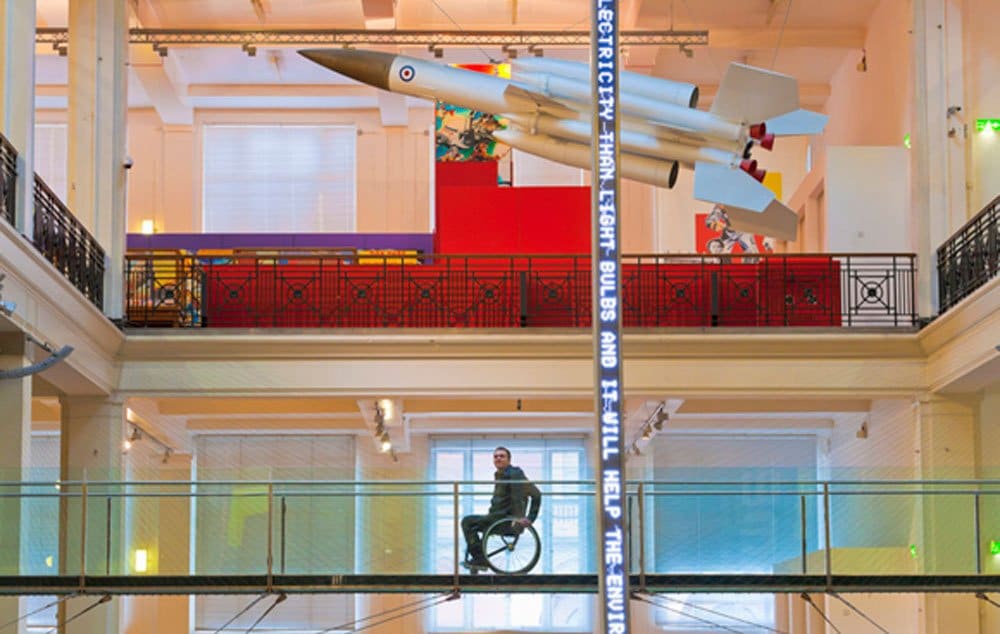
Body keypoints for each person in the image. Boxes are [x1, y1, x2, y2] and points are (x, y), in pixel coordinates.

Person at [461, 446, 541, 569]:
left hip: (505, 521)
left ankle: (480, 559)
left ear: (509, 460)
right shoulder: (500, 474)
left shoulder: (514, 473)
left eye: (502, 456)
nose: (498, 458)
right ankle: (479, 559)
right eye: (496, 456)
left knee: (467, 522)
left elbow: (534, 494)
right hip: (496, 518)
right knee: (472, 524)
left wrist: (528, 518)